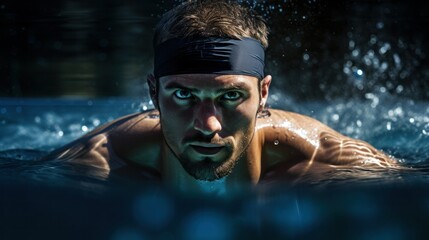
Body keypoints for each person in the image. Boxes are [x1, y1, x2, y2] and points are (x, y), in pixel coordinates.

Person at [44, 0, 397, 193]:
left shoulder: (327, 156)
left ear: (263, 95)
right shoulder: (99, 159)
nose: (208, 124)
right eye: (184, 94)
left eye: (230, 95)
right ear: (154, 94)